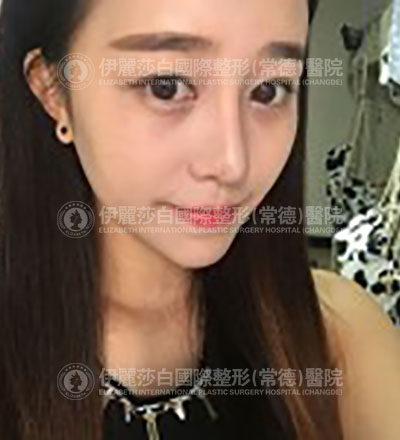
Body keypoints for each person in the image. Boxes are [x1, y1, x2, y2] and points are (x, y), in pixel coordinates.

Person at [0, 0, 399, 439]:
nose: (232, 163)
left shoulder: (340, 336)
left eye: (268, 90)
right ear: (53, 90)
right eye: (166, 86)